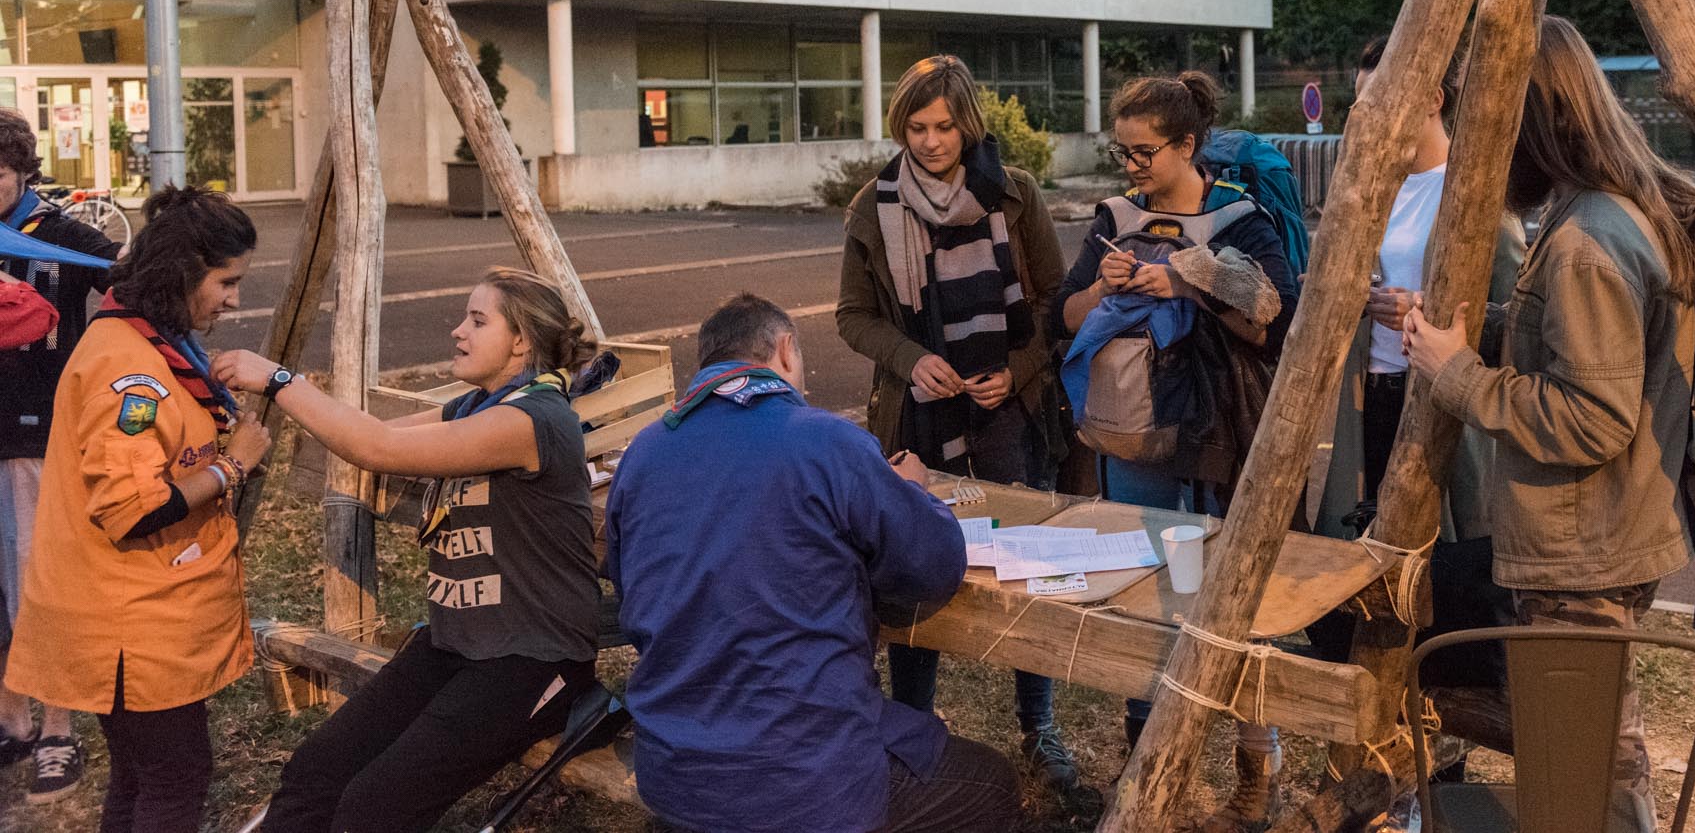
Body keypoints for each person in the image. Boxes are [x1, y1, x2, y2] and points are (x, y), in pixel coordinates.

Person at [1403, 16, 1695, 833]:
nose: (1478, 144)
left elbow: (1593, 416)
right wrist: (1493, 330)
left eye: (1488, 121)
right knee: (1601, 752)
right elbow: (1585, 353)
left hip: (1581, 549)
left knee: (1586, 771)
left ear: (1530, 118)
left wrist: (1457, 375)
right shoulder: (1609, 209)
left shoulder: (1585, 240)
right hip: (1597, 535)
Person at [607, 293, 1020, 833]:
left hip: (675, 771)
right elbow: (934, 565)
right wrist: (914, 493)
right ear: (784, 351)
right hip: (806, 781)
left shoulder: (643, 452)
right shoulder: (828, 441)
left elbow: (628, 585)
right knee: (993, 786)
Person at [217, 267, 603, 833]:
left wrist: (277, 378)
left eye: (477, 320)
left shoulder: (534, 419)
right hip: (456, 644)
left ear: (520, 340)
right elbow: (374, 430)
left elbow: (378, 447)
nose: (457, 332)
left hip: (533, 658)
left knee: (374, 810)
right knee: (315, 772)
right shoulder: (474, 406)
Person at [834, 53, 1091, 812]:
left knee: (1023, 566)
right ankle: (912, 726)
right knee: (911, 566)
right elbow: (854, 317)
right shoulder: (871, 208)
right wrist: (913, 360)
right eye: (917, 126)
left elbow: (1057, 301)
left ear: (968, 122)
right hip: (920, 415)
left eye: (945, 125)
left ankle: (1039, 728)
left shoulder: (1015, 194)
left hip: (1010, 413)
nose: (932, 141)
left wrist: (1017, 368)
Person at [1053, 71, 1299, 833]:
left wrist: (1189, 280)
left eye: (1144, 153)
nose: (1131, 167)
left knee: (1237, 602)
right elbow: (1064, 315)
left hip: (1222, 440)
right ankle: (1150, 769)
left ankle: (1257, 771)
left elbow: (1274, 324)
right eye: (1121, 152)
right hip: (1134, 442)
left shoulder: (1241, 221)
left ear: (1188, 145)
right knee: (1148, 599)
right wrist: (1104, 285)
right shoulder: (1113, 219)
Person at [4, 186, 272, 833]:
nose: (233, 298)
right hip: (132, 627)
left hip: (133, 619)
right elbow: (131, 509)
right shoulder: (130, 368)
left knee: (139, 777)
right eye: (226, 281)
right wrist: (232, 463)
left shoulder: (144, 343)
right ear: (184, 273)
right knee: (175, 779)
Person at [1307, 38, 1522, 668]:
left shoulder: (1474, 189)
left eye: (1380, 97)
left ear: (1433, 98)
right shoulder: (1372, 186)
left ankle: (1441, 701)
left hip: (1438, 396)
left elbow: (1512, 315)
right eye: (1359, 99)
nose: (1365, 112)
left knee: (1441, 556)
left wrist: (1423, 308)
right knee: (1366, 550)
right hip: (1370, 391)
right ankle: (1384, 692)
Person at [0, 109, 120, 806]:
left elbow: (133, 286)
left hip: (39, 443)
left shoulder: (62, 235)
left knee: (42, 589)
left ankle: (57, 730)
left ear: (22, 169)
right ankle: (12, 718)